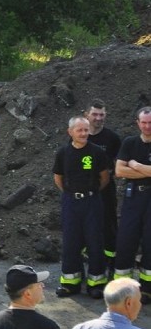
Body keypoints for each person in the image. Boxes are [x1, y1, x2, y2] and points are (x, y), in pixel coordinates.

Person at [53, 115, 109, 299]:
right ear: (70, 132)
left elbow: (104, 178)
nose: (84, 133)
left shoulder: (97, 152)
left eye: (86, 130)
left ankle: (96, 283)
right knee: (71, 242)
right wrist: (71, 194)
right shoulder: (63, 153)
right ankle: (70, 283)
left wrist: (89, 193)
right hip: (71, 202)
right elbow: (58, 178)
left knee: (95, 241)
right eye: (80, 130)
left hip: (92, 202)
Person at [114, 106, 151, 300]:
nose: (147, 126)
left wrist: (135, 165)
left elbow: (128, 168)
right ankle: (123, 287)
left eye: (150, 123)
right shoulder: (129, 143)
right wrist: (147, 170)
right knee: (126, 240)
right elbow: (119, 171)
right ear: (138, 123)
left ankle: (147, 288)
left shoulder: (134, 156)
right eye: (144, 122)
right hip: (133, 197)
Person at [83, 99, 120, 273]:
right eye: (95, 114)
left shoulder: (112, 138)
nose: (98, 118)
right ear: (86, 115)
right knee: (83, 225)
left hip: (105, 190)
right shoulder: (79, 135)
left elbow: (117, 166)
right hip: (82, 190)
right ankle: (87, 259)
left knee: (108, 225)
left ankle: (111, 262)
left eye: (102, 114)